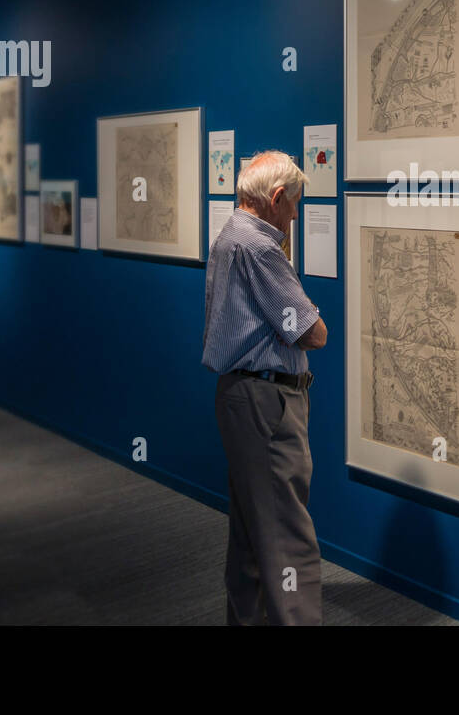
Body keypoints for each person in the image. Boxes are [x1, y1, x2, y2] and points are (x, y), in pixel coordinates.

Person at [201, 150, 328, 625]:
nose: (296, 214)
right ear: (276, 197)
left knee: (252, 534)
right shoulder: (259, 248)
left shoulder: (230, 234)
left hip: (240, 398)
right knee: (288, 538)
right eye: (294, 203)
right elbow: (311, 332)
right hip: (267, 403)